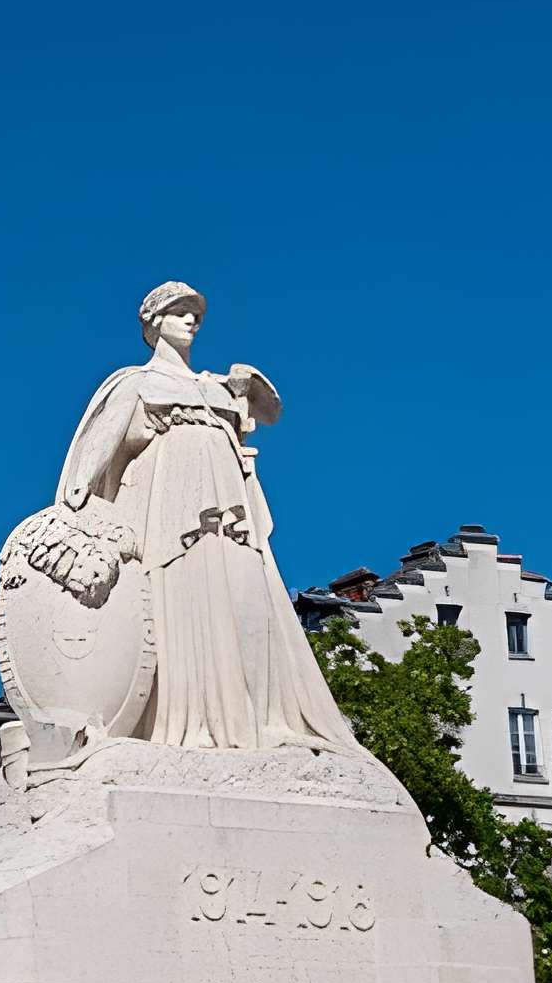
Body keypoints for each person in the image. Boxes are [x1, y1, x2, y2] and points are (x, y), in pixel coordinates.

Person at [52, 280, 366, 756]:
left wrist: (241, 388)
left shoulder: (212, 386)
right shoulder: (134, 383)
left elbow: (271, 410)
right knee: (184, 598)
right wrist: (73, 517)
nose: (191, 320)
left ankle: (260, 719)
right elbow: (92, 462)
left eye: (195, 313)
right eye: (180, 311)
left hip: (228, 514)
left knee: (246, 600)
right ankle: (189, 722)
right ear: (154, 321)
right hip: (172, 510)